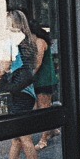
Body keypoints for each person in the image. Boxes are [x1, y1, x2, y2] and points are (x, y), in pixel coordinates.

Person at [0, 9, 42, 159]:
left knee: (25, 137)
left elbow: (4, 67)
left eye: (7, 22)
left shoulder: (12, 41)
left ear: (12, 24)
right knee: (17, 137)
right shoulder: (29, 41)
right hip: (27, 93)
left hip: (19, 95)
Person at [29, 20, 60, 150]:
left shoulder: (40, 42)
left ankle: (44, 139)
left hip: (44, 80)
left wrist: (29, 75)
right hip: (43, 80)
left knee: (43, 109)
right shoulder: (39, 41)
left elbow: (38, 61)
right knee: (43, 106)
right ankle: (52, 130)